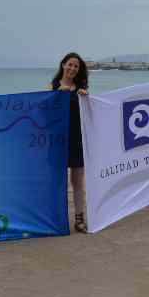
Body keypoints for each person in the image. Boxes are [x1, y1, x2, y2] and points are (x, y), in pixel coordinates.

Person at [51, 52, 89, 233]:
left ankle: (80, 218)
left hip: (77, 139)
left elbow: (89, 114)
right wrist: (57, 95)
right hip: (58, 140)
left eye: (76, 66)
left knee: (78, 181)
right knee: (58, 181)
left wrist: (86, 98)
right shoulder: (52, 87)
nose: (73, 68)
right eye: (70, 65)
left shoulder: (81, 89)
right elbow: (45, 111)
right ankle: (57, 218)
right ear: (63, 65)